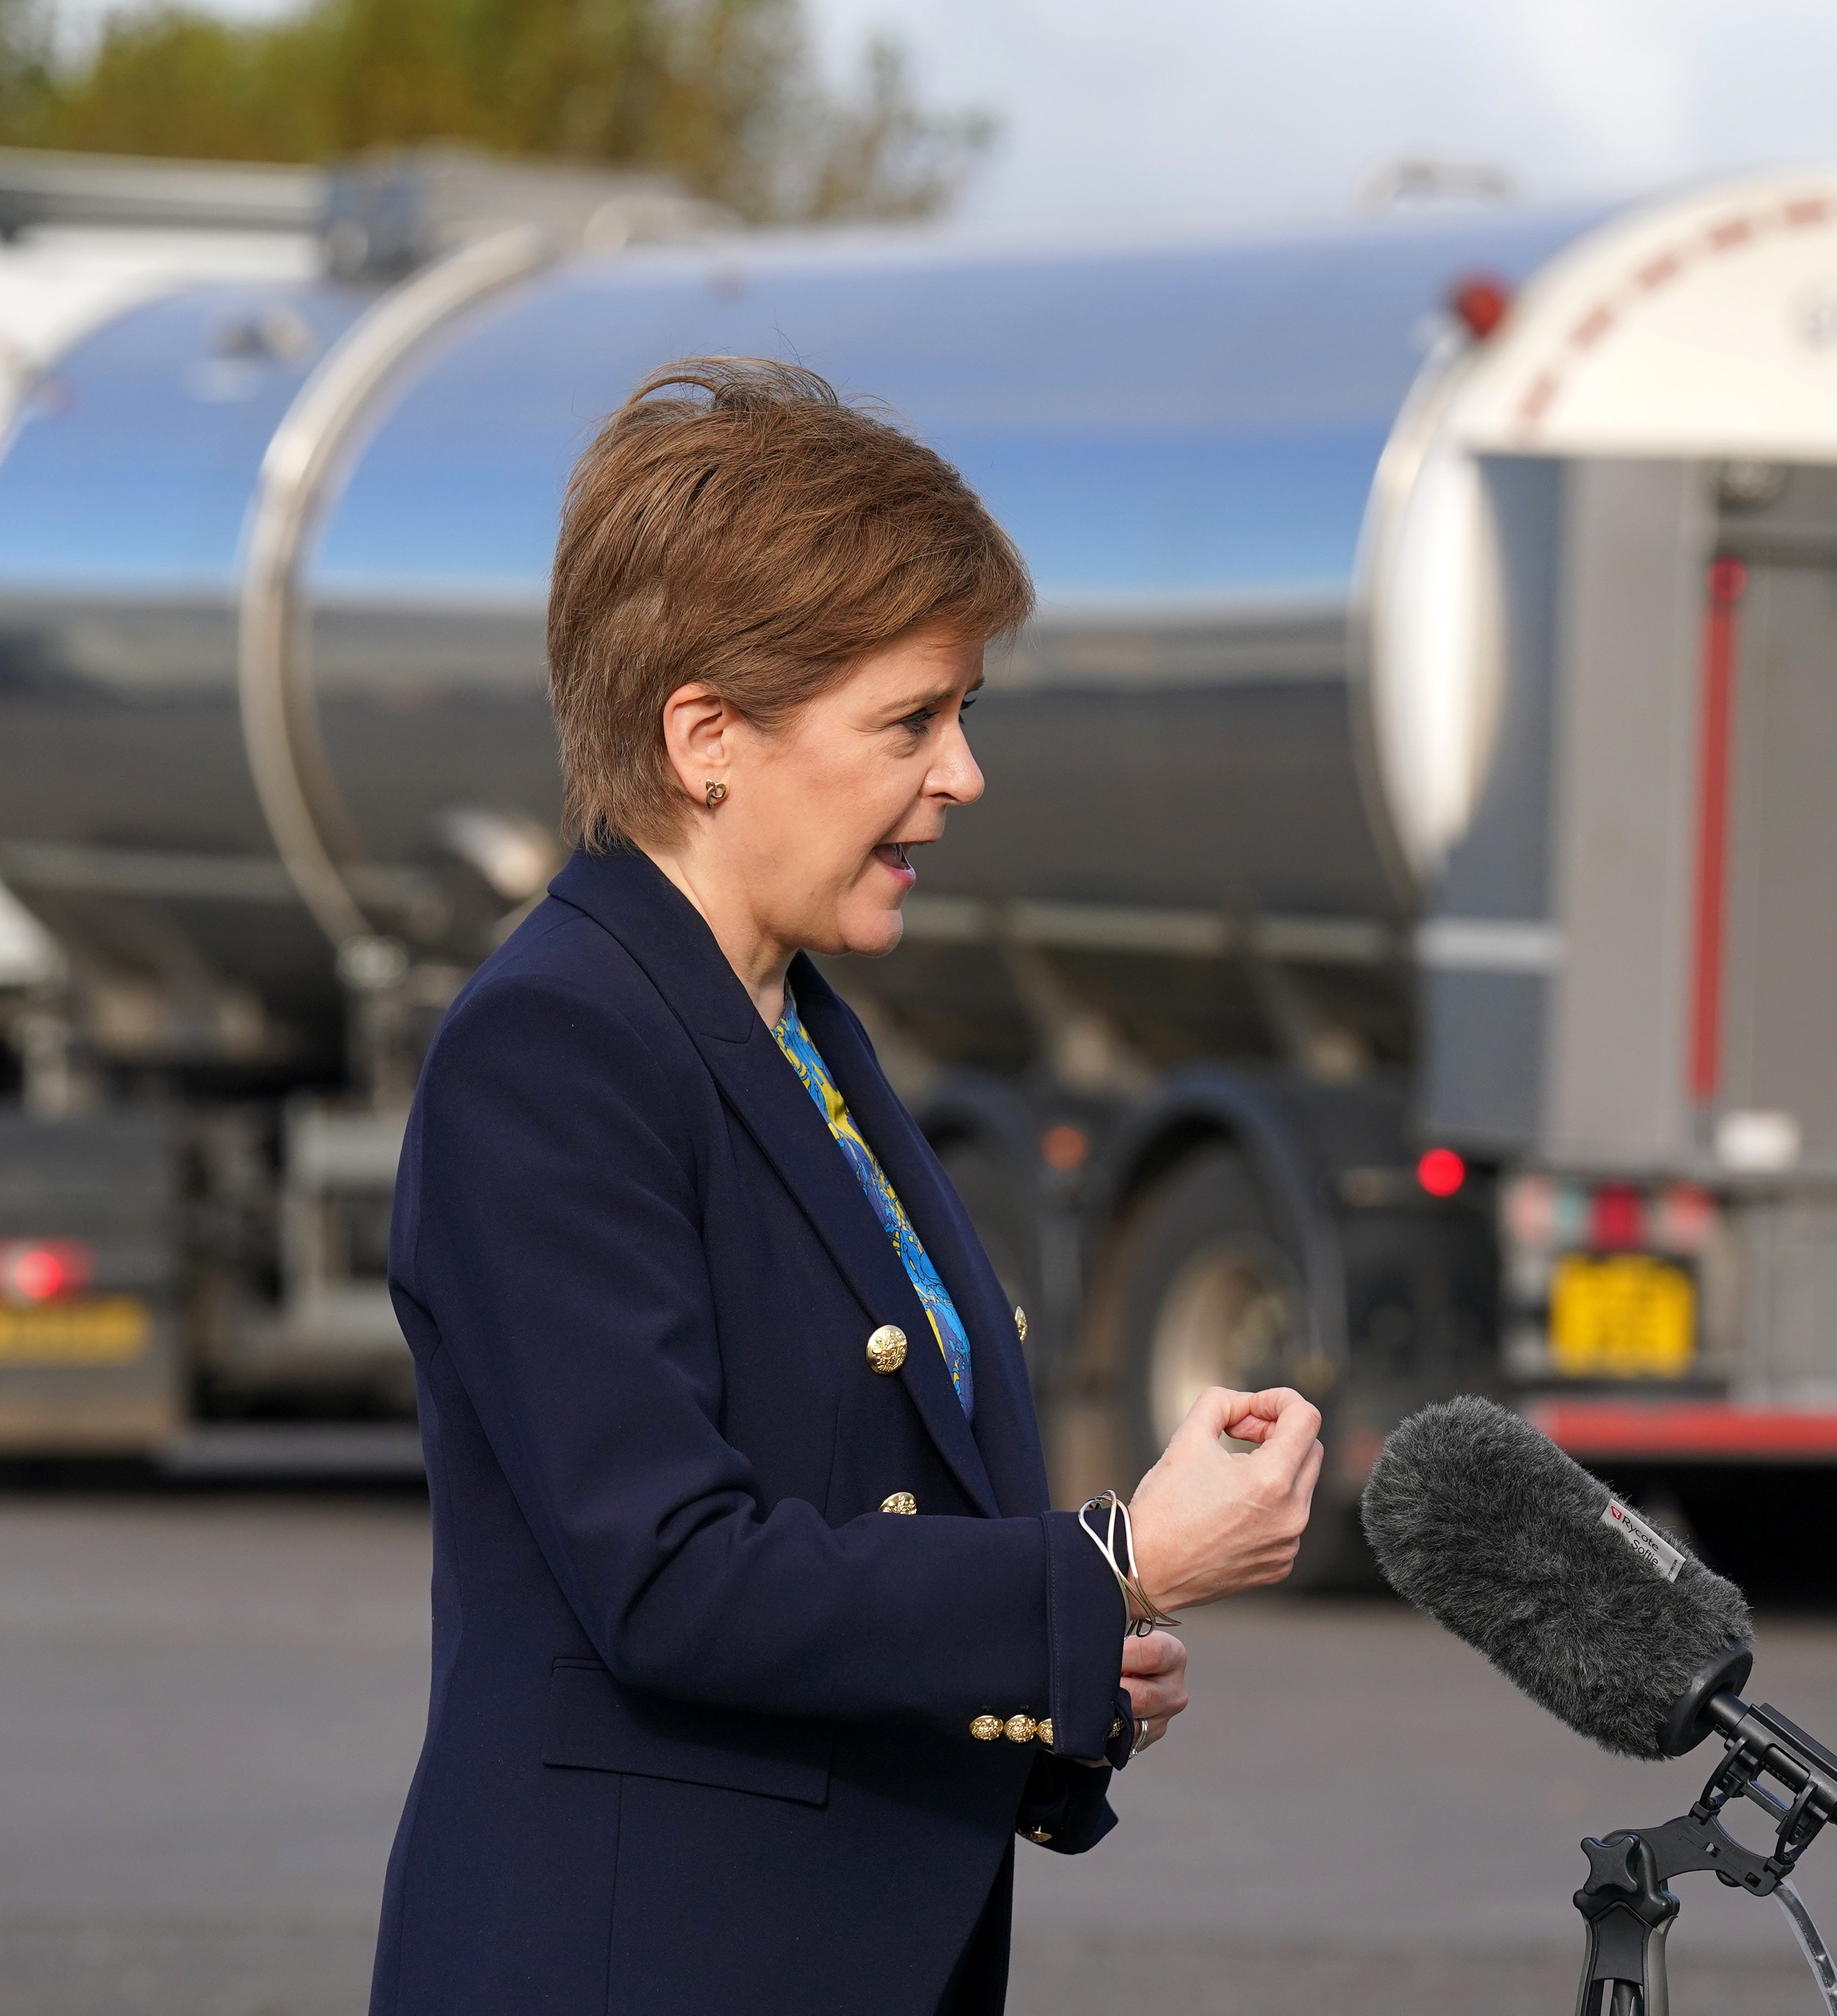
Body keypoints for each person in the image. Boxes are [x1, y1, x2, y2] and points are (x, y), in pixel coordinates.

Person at [367, 357, 1324, 2015]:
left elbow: (853, 1508)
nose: (961, 775)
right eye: (908, 721)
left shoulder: (790, 1024)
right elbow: (670, 1572)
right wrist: (1109, 1562)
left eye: (963, 716)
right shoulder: (557, 1044)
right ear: (706, 738)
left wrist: (1062, 1667)